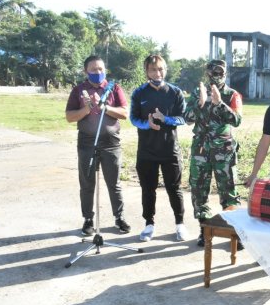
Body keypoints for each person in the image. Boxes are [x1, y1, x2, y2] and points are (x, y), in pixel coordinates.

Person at [65, 55, 130, 236]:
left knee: (114, 183)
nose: (98, 72)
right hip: (87, 144)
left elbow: (125, 113)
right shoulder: (78, 90)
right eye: (93, 69)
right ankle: (88, 220)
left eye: (101, 69)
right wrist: (86, 110)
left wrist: (105, 108)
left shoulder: (113, 88)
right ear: (86, 71)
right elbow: (69, 117)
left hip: (111, 144)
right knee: (87, 184)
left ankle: (119, 217)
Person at [184, 60, 243, 247]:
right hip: (201, 150)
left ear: (225, 73)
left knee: (229, 191)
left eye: (220, 71)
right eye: (213, 71)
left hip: (223, 151)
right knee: (199, 190)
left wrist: (219, 104)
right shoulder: (196, 93)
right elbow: (187, 119)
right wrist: (200, 103)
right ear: (207, 73)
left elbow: (236, 120)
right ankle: (205, 230)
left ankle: (234, 232)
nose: (217, 75)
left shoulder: (232, 94)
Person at [130, 54, 187, 242]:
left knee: (174, 188)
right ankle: (149, 225)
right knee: (148, 189)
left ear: (166, 70)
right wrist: (147, 125)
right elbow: (133, 118)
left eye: (161, 68)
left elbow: (183, 118)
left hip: (170, 150)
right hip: (146, 151)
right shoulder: (139, 93)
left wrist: (166, 119)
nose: (157, 72)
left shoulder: (175, 92)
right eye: (153, 69)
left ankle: (180, 224)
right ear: (146, 71)